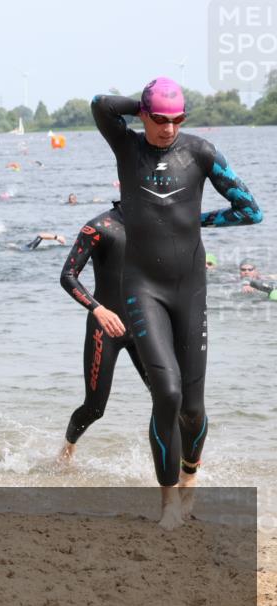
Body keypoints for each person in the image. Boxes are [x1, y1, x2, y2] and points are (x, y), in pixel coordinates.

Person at [92, 77, 262, 529]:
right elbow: (100, 104)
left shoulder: (200, 152)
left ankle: (190, 483)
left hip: (189, 288)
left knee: (192, 408)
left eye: (177, 119)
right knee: (165, 393)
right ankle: (168, 504)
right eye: (160, 118)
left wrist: (197, 220)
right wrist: (144, 99)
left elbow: (251, 209)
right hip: (142, 287)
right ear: (144, 115)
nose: (169, 128)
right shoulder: (126, 147)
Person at [58, 201, 148, 461]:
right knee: (95, 408)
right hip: (105, 327)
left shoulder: (155, 223)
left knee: (167, 398)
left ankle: (172, 465)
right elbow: (68, 275)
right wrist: (98, 309)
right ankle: (67, 448)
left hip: (144, 325)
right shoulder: (99, 227)